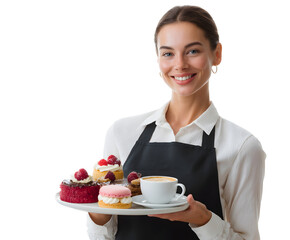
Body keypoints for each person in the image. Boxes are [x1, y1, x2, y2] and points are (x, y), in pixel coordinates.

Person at [87, 5, 266, 240]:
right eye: (168, 53)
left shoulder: (242, 146)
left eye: (192, 51)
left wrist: (204, 220)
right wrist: (95, 212)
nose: (180, 65)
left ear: (217, 54)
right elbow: (102, 236)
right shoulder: (122, 132)